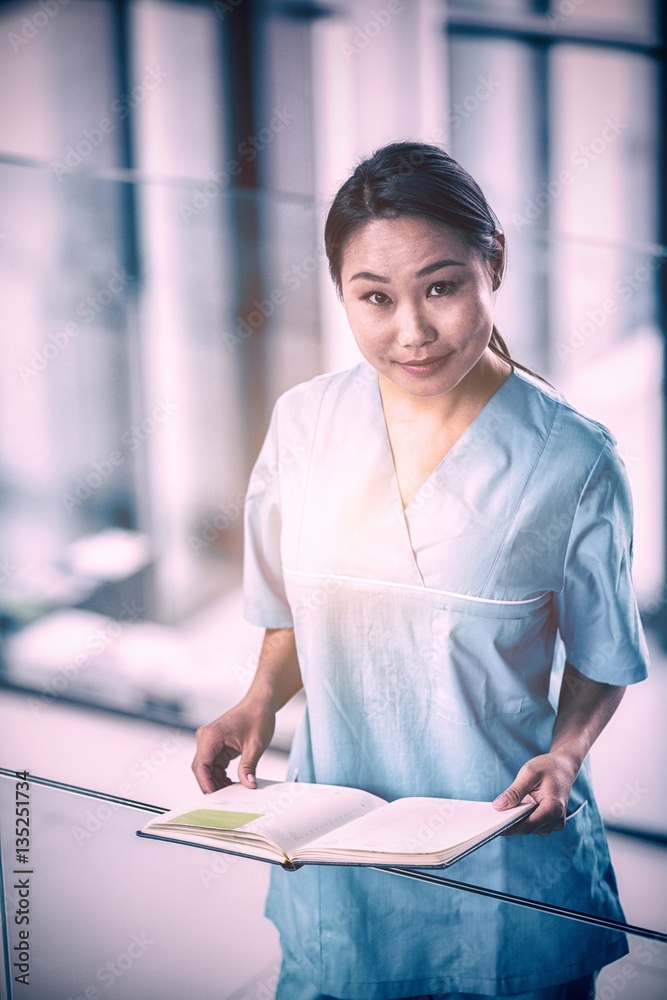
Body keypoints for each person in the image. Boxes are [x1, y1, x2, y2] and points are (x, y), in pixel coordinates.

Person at [192, 141, 650, 1000]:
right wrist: (259, 696)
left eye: (441, 287)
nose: (410, 330)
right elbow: (295, 609)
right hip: (339, 853)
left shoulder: (574, 458)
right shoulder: (303, 425)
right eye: (374, 298)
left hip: (501, 853)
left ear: (494, 266)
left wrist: (566, 753)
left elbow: (601, 653)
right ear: (342, 296)